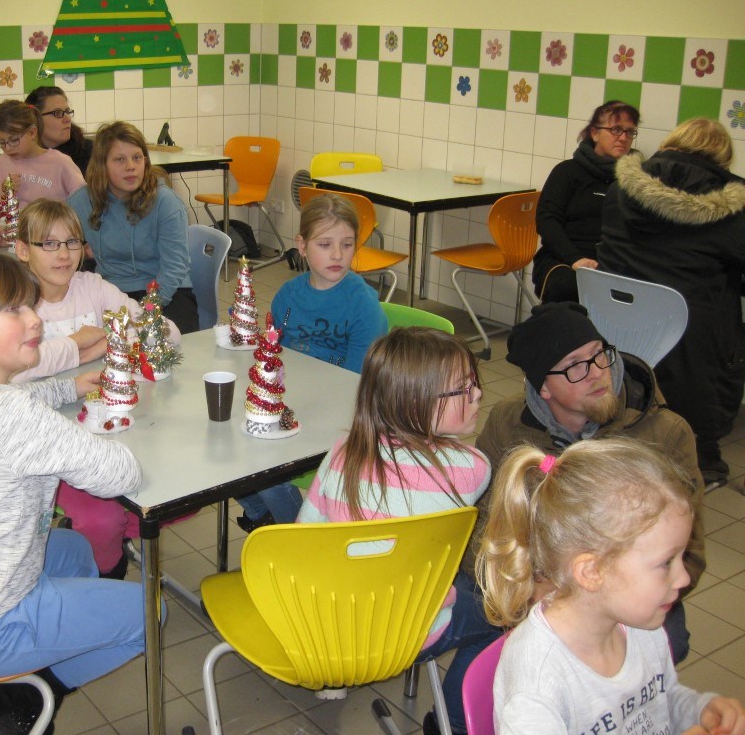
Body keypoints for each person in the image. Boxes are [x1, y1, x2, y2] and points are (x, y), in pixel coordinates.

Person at [0, 253, 150, 734]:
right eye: (15, 310)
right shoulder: (10, 417)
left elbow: (11, 402)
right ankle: (30, 696)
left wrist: (66, 389)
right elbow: (118, 474)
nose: (35, 319)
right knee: (151, 612)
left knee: (76, 550)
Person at [474, 301, 705, 663]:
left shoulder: (665, 433)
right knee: (478, 664)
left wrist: (593, 603)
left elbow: (689, 550)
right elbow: (482, 523)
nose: (597, 372)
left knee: (666, 644)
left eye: (599, 354)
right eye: (575, 366)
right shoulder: (507, 423)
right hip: (531, 584)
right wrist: (525, 586)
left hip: (630, 589)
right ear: (544, 388)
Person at [298, 327, 496, 735]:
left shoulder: (342, 450)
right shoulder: (473, 468)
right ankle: (453, 724)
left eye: (474, 383)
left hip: (328, 625)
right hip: (408, 633)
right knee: (503, 616)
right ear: (415, 402)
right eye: (464, 389)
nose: (477, 394)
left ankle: (335, 677)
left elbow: (304, 534)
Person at [477, 439, 745, 735]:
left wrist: (700, 710)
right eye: (666, 562)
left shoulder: (641, 625)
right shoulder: (538, 681)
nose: (683, 578)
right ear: (592, 572)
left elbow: (661, 699)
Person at [12, 198, 181, 579]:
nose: (63, 254)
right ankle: (108, 571)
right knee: (102, 518)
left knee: (172, 488)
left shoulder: (92, 287)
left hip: (113, 428)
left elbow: (166, 332)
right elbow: (15, 369)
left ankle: (113, 538)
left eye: (72, 242)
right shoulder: (14, 299)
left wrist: (110, 340)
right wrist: (77, 344)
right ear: (23, 250)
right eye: (48, 244)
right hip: (51, 444)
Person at [598, 117, 745, 490]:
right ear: (720, 159)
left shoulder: (620, 189)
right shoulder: (734, 208)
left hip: (619, 326)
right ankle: (703, 461)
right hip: (691, 343)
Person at [236, 193, 388, 531]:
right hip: (294, 404)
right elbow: (273, 357)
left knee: (266, 473)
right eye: (325, 244)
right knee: (230, 448)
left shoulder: (363, 305)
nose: (337, 255)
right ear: (302, 246)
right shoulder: (288, 296)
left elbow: (356, 384)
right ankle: (264, 518)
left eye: (347, 244)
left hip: (343, 416)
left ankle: (297, 535)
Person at [67, 121, 199, 334]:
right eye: (119, 159)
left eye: (137, 158)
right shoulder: (81, 202)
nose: (130, 166)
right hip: (110, 290)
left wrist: (146, 311)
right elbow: (57, 243)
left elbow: (175, 267)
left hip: (166, 291)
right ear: (102, 165)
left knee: (166, 344)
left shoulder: (165, 202)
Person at [532, 101, 640, 303]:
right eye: (616, 129)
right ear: (595, 133)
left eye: (630, 132)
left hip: (615, 261)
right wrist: (575, 259)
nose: (623, 137)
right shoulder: (567, 172)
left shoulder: (638, 179)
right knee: (565, 285)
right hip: (564, 258)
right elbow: (547, 220)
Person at [0, 99, 85, 217]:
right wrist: (4, 191)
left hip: (54, 227)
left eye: (14, 140)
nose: (8, 148)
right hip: (14, 227)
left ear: (32, 133)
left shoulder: (60, 163)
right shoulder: (3, 163)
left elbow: (83, 203)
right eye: (2, 142)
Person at [25, 86, 93, 176]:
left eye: (67, 112)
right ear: (35, 119)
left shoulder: (91, 153)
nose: (67, 119)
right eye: (57, 113)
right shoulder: (22, 157)